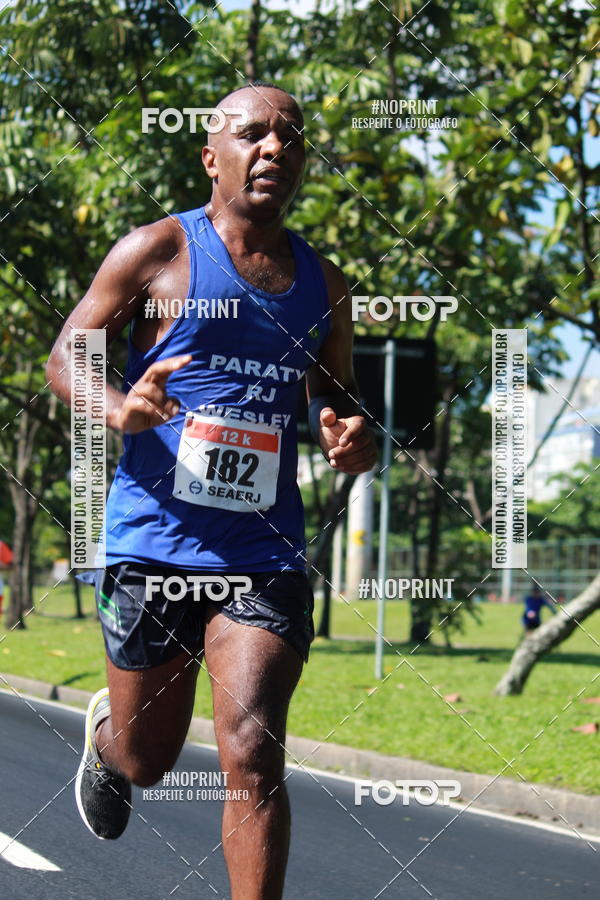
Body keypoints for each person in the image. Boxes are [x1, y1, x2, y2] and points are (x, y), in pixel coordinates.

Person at [46, 81, 377, 899]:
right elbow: (66, 356)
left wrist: (351, 432)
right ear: (211, 156)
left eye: (290, 138)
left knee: (253, 746)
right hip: (153, 541)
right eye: (254, 135)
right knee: (148, 758)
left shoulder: (325, 285)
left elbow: (339, 394)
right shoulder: (156, 251)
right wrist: (120, 406)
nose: (274, 149)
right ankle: (108, 744)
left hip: (263, 550)